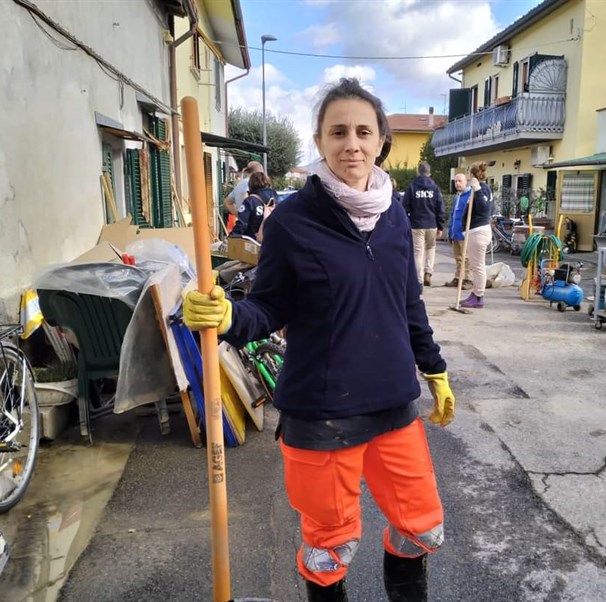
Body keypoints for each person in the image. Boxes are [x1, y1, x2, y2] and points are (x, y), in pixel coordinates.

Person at [182, 77, 455, 602]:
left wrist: (434, 369)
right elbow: (268, 308)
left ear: (380, 141)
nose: (351, 142)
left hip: (393, 401)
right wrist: (225, 315)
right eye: (338, 132)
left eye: (362, 131)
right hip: (322, 411)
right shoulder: (292, 222)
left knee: (420, 528)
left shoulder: (394, 213)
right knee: (330, 549)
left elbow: (408, 304)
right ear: (320, 139)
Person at [402, 162, 445, 288]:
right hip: (432, 224)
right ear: (429, 173)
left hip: (416, 225)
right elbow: (440, 207)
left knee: (418, 252)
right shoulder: (435, 187)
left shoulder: (412, 186)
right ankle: (428, 272)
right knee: (430, 248)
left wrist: (407, 223)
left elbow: (405, 207)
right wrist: (440, 225)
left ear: (418, 172)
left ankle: (418, 281)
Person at [460, 162, 493, 309]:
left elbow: (484, 208)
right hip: (476, 231)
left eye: (469, 174)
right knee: (476, 265)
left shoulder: (483, 189)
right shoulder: (481, 189)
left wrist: (477, 188)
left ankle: (479, 296)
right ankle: (475, 294)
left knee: (478, 266)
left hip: (478, 232)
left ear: (473, 175)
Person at [229, 171, 278, 241]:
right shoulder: (276, 200)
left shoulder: (250, 201)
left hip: (254, 243)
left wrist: (232, 237)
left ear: (251, 185)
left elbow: (242, 223)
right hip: (274, 243)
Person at [444, 173, 472, 289]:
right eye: (455, 181)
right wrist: (450, 230)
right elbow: (453, 214)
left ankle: (468, 279)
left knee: (466, 257)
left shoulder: (470, 196)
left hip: (464, 232)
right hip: (455, 232)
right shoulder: (457, 196)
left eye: (460, 181)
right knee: (458, 257)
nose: (457, 183)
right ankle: (458, 277)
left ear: (466, 182)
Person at [224, 160, 264, 228]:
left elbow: (227, 202)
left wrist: (240, 215)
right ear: (258, 172)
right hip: (256, 226)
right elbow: (247, 198)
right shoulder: (257, 184)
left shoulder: (239, 185)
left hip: (243, 225)